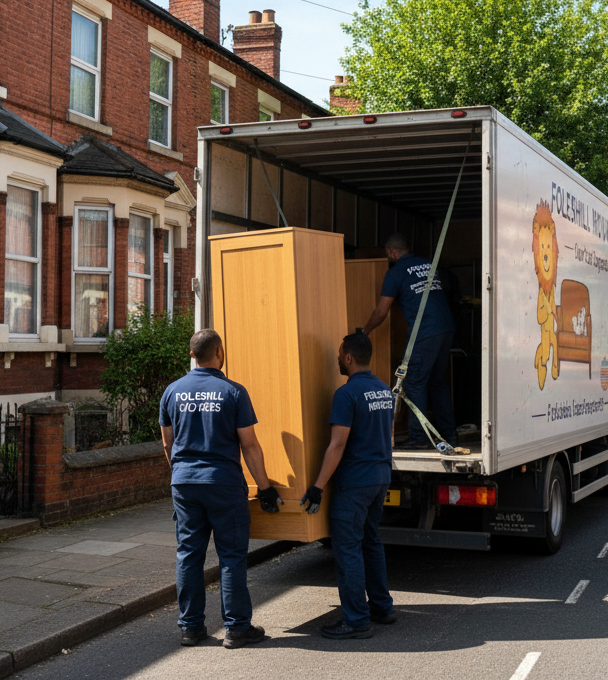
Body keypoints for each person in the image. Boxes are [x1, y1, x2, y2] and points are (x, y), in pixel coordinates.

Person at [160, 328, 283, 649]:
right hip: (224, 484)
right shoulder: (233, 392)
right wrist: (266, 487)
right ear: (220, 353)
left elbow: (167, 443)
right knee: (230, 556)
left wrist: (181, 476)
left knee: (188, 554)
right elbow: (250, 446)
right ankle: (237, 628)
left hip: (185, 484)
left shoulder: (172, 392)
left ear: (191, 355)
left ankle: (190, 628)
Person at [301, 331, 398, 639]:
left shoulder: (347, 394)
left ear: (348, 357)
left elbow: (337, 444)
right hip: (380, 477)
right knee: (370, 541)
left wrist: (317, 485)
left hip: (355, 483)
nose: (337, 359)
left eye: (339, 354)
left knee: (348, 549)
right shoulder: (384, 390)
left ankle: (355, 620)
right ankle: (382, 606)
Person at [361, 233, 456, 449]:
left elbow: (381, 311)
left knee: (414, 382)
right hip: (446, 328)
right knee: (437, 382)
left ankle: (419, 439)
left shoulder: (394, 274)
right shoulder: (428, 264)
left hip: (426, 331)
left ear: (392, 252)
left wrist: (364, 331)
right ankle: (449, 435)